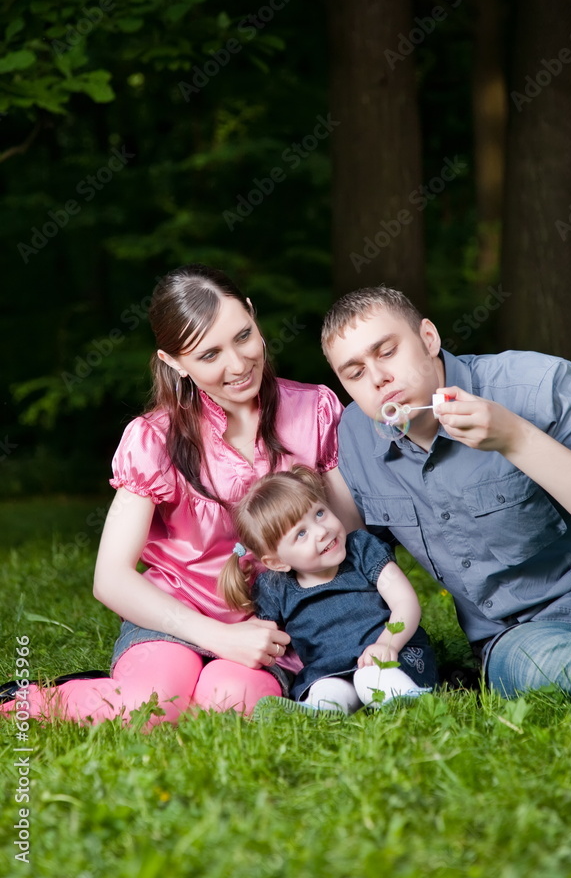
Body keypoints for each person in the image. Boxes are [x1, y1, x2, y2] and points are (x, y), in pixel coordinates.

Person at [2, 264, 361, 725]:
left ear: (253, 316)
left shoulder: (314, 410)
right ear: (174, 362)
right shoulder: (155, 438)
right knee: (147, 709)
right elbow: (110, 577)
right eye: (209, 354)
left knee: (231, 705)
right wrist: (216, 636)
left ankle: (184, 686)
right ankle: (26, 700)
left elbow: (349, 539)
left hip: (276, 625)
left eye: (244, 335)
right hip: (175, 616)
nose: (238, 364)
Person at [321, 286, 571, 702]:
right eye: (354, 373)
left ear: (428, 339)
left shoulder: (534, 384)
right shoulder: (354, 439)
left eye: (387, 351)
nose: (377, 378)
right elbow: (344, 556)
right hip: (519, 637)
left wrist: (514, 438)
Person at [218, 465, 437, 714]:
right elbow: (263, 636)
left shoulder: (362, 550)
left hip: (392, 655)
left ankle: (408, 702)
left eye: (319, 513)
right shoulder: (275, 588)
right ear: (277, 562)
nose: (322, 531)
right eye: (301, 533)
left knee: (370, 678)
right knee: (328, 689)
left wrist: (388, 644)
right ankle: (318, 713)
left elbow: (405, 602)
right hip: (330, 669)